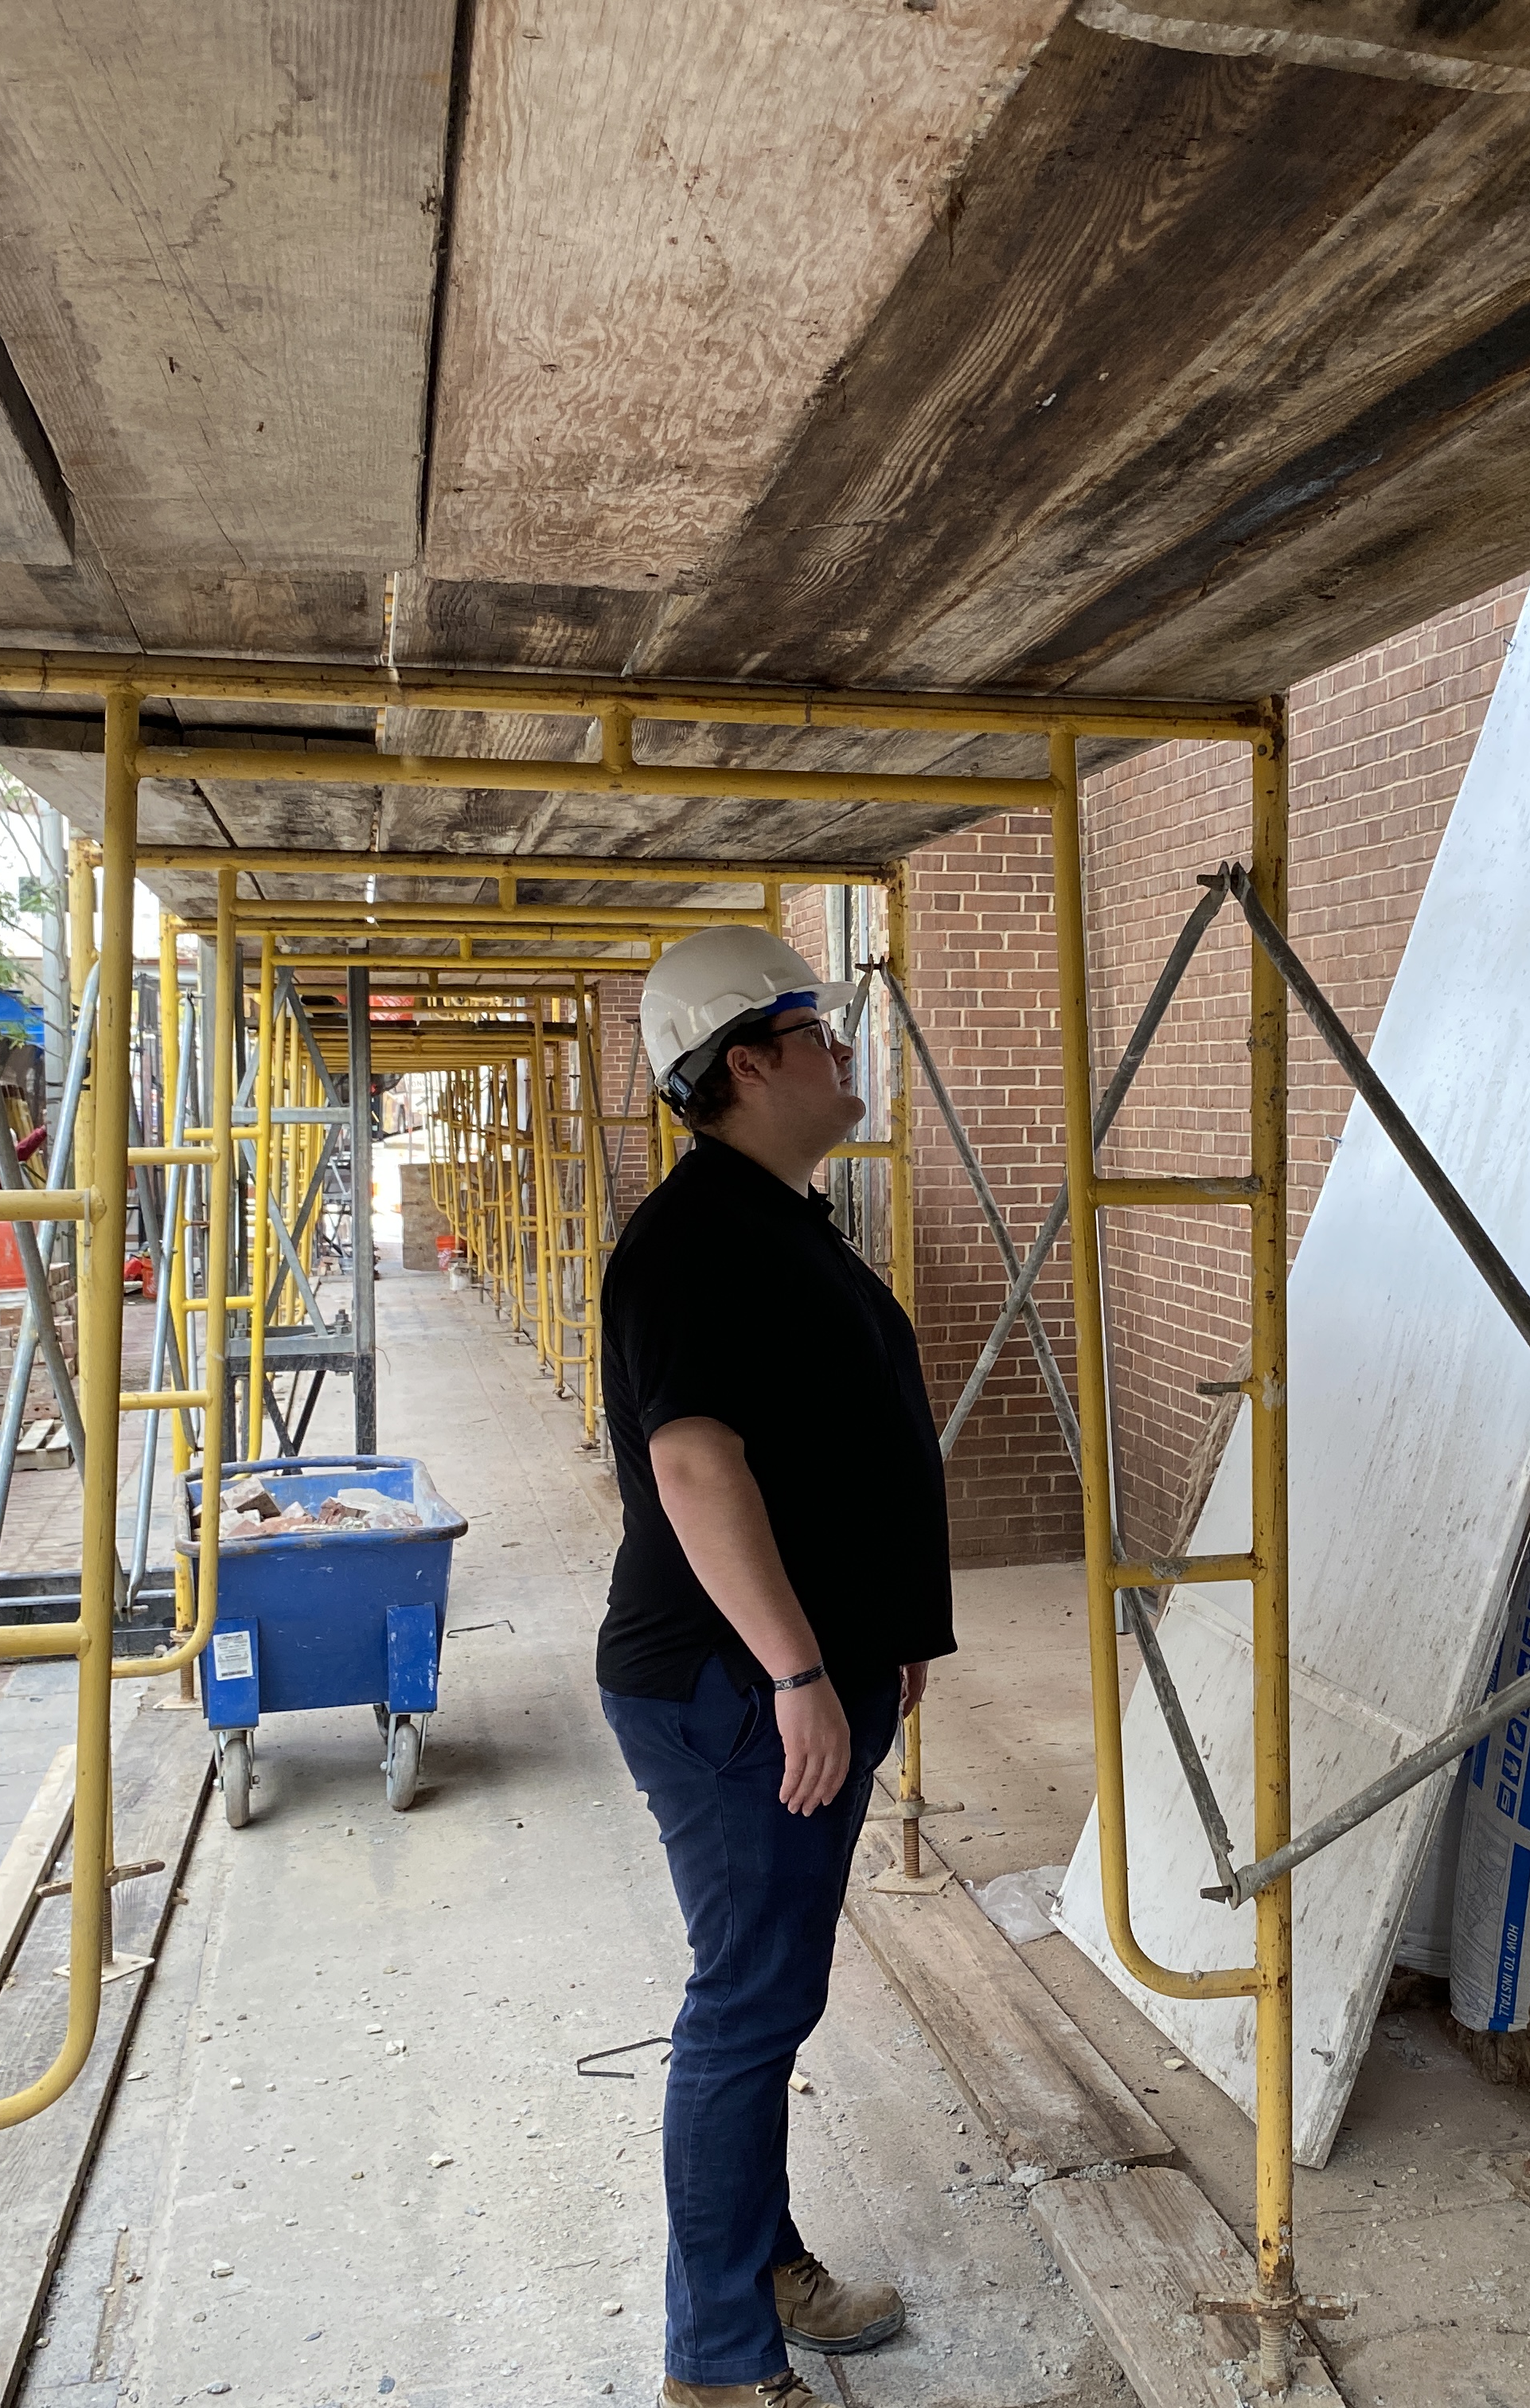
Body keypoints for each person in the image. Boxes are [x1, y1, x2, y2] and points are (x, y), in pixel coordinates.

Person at [595, 926, 952, 2408]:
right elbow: (691, 1465)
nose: (844, 1049)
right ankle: (722, 2364)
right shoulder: (696, 1240)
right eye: (818, 1028)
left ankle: (758, 2264)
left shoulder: (779, 1215)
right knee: (747, 2010)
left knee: (762, 1996)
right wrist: (805, 1675)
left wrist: (881, 1646)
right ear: (750, 1061)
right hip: (736, 1696)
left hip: (784, 1682)